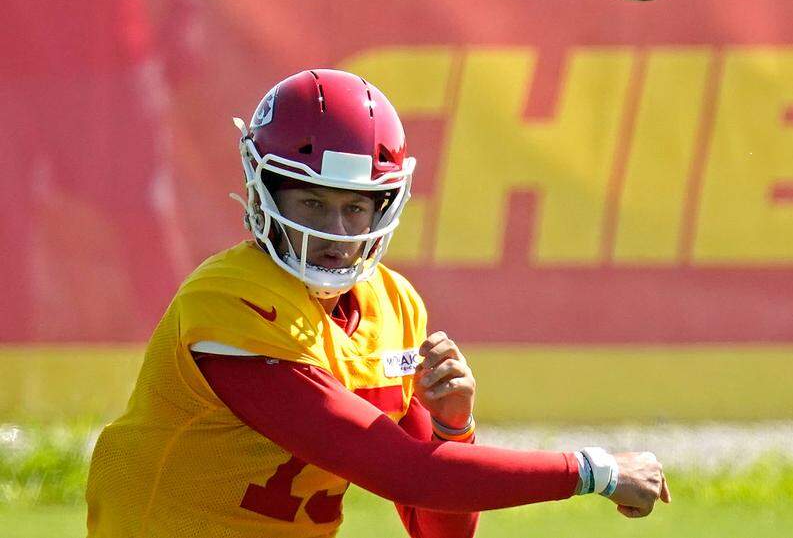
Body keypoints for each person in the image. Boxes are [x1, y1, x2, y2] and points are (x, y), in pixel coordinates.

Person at [85, 69, 670, 538]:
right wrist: (598, 471)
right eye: (312, 203)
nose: (335, 232)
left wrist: (451, 425)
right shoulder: (232, 298)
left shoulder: (392, 304)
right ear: (264, 191)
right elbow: (405, 473)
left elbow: (438, 528)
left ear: (384, 208)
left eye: (355, 207)